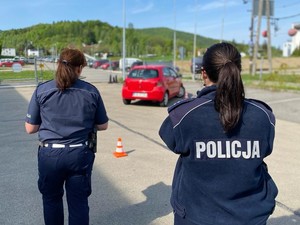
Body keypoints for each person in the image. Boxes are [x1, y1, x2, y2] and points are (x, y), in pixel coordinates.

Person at [159, 42, 278, 225]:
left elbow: (170, 138)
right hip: (250, 217)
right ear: (239, 71)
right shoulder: (263, 116)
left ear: (204, 73)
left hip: (196, 217)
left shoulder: (184, 116)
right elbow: (266, 149)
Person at [25, 48, 109, 225]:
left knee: (51, 200)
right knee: (78, 202)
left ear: (58, 64)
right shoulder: (91, 91)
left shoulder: (42, 90)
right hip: (79, 154)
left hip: (50, 156)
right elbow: (103, 125)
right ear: (79, 68)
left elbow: (30, 128)